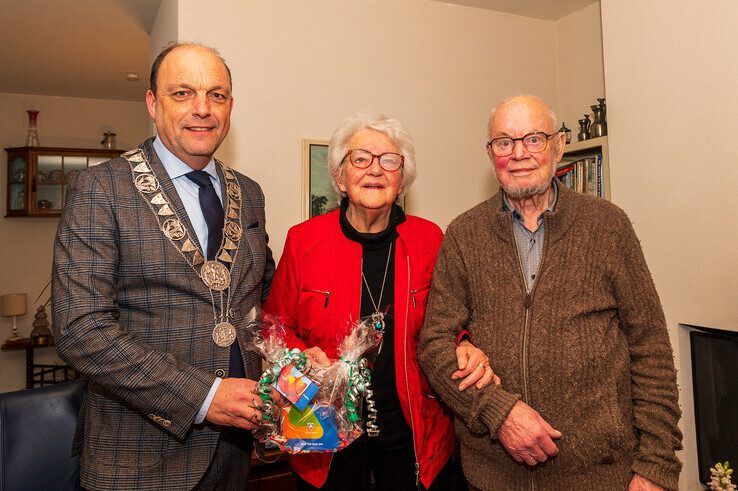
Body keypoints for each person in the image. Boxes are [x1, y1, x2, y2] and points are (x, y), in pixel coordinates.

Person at [418, 95, 683, 491]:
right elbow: (434, 344)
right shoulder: (463, 234)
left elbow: (651, 349)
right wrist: (499, 413)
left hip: (602, 477)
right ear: (491, 154)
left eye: (534, 139)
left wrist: (656, 466)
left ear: (558, 146)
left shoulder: (608, 227)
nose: (519, 153)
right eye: (504, 142)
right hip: (494, 479)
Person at [52, 43, 275, 490]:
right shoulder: (101, 188)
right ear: (152, 103)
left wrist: (303, 352)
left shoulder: (249, 193)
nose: (202, 109)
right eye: (182, 93)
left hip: (234, 454)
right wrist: (203, 396)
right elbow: (80, 327)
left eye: (217, 95)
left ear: (230, 107)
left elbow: (263, 297)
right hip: (137, 459)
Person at [263, 111, 495, 490]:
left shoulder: (430, 240)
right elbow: (277, 328)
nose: (376, 170)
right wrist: (300, 359)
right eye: (361, 159)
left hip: (412, 434)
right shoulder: (304, 241)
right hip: (324, 433)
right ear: (339, 176)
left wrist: (465, 342)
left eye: (389, 160)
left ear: (402, 178)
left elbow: (450, 321)